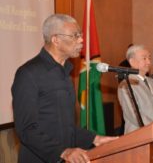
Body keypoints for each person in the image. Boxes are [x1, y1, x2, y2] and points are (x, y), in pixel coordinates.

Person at [11, 14, 118, 163]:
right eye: (75, 36)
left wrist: (96, 138)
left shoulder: (66, 72)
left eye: (80, 35)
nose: (81, 40)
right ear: (55, 40)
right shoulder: (28, 74)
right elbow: (26, 130)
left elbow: (66, 127)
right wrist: (63, 152)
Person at [117, 44, 153, 133]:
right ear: (132, 62)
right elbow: (134, 115)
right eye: (144, 58)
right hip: (140, 136)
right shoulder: (125, 85)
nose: (148, 62)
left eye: (149, 58)